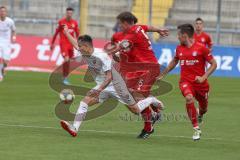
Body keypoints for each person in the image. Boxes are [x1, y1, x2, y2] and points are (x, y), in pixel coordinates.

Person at [60, 27, 163, 138]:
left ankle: (151, 100)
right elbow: (75, 44)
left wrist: (98, 89)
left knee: (136, 110)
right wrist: (66, 32)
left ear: (86, 46)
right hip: (103, 87)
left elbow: (110, 76)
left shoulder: (101, 56)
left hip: (116, 85)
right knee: (84, 102)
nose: (78, 49)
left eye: (80, 47)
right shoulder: (84, 52)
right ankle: (74, 128)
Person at [109, 12, 168, 138]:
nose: (119, 26)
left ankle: (148, 127)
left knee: (137, 97)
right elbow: (147, 27)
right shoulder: (138, 28)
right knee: (134, 95)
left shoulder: (133, 33)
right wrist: (158, 30)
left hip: (148, 68)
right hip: (139, 69)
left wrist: (107, 52)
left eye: (120, 23)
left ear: (125, 23)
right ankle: (155, 112)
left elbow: (120, 46)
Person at [159, 24, 217, 140]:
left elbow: (214, 64)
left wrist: (204, 77)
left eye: (179, 35)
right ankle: (196, 128)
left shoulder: (201, 48)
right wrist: (163, 73)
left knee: (204, 109)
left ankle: (200, 114)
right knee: (189, 98)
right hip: (185, 82)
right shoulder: (179, 48)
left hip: (201, 84)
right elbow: (174, 61)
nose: (178, 37)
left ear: (185, 36)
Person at [51, 7, 79, 85]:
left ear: (72, 14)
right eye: (68, 13)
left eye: (70, 13)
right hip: (63, 43)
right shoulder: (61, 22)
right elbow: (56, 33)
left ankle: (65, 76)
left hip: (71, 44)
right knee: (66, 59)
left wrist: (79, 43)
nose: (69, 14)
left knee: (70, 62)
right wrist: (52, 43)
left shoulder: (74, 23)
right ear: (66, 13)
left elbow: (77, 34)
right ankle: (64, 77)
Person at [0, 6, 16, 81]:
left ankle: (3, 68)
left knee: (6, 62)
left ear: (6, 13)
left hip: (7, 43)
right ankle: (0, 75)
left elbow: (14, 30)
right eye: (1, 11)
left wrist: (13, 37)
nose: (2, 13)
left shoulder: (10, 21)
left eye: (4, 11)